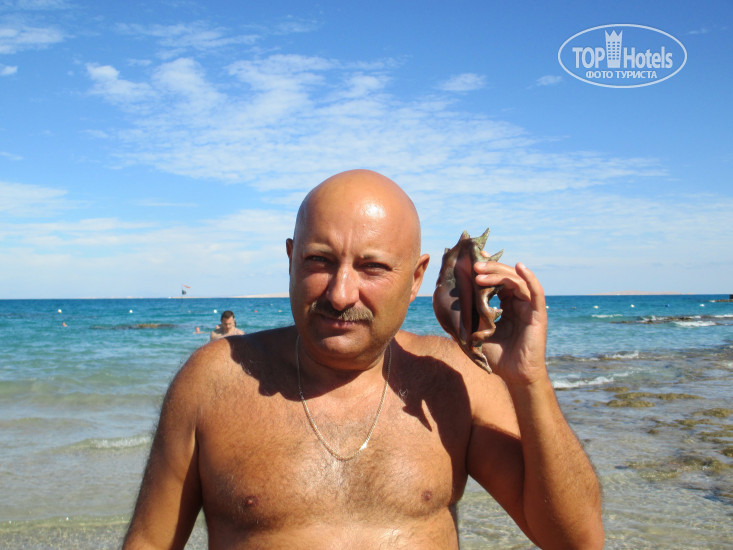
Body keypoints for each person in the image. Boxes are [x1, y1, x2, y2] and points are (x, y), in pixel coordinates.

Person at [123, 169, 604, 549]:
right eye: (319, 261)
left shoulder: (453, 380)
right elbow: (148, 542)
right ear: (290, 260)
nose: (340, 293)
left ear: (415, 278)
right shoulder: (212, 380)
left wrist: (529, 380)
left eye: (372, 267)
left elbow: (575, 540)